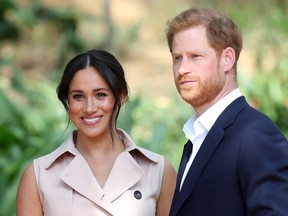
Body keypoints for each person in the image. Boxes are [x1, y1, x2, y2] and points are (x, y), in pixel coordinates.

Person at [16, 49, 176, 216]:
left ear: (120, 97)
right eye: (78, 96)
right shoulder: (38, 175)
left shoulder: (158, 171)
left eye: (100, 95)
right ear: (68, 101)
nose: (89, 108)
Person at [165, 7, 288, 216]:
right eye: (177, 58)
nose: (182, 69)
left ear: (228, 59)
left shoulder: (256, 135)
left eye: (195, 56)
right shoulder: (196, 139)